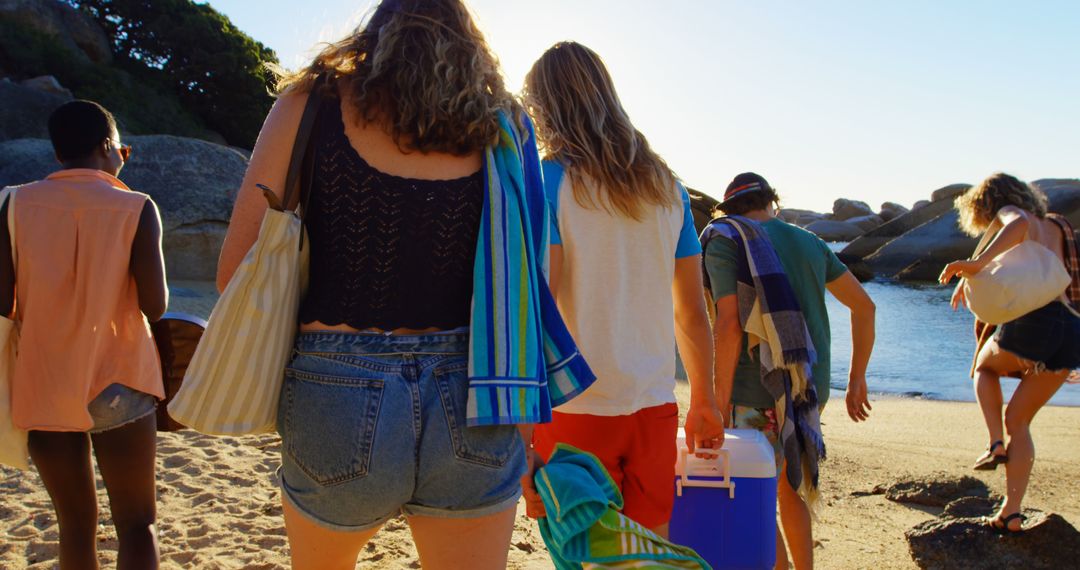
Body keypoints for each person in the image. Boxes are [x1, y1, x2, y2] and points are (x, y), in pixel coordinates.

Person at [216, 2, 592, 569]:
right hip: (479, 393)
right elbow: (526, 291)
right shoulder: (507, 126)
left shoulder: (309, 104)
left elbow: (234, 276)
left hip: (335, 387)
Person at [522, 41, 725, 538]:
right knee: (646, 549)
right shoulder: (667, 189)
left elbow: (539, 310)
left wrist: (523, 435)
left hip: (575, 410)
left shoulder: (549, 182)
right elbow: (691, 311)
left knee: (587, 555)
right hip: (653, 406)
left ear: (544, 108)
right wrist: (704, 399)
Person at [0, 100, 166, 569]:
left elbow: (2, 302)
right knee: (137, 522)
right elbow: (155, 306)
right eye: (122, 151)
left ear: (57, 155)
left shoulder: (13, 203)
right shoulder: (137, 207)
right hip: (119, 378)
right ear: (109, 147)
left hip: (44, 378)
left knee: (74, 524)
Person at [702, 173, 875, 570]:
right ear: (771, 202)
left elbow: (728, 323)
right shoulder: (810, 241)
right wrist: (856, 377)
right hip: (807, 387)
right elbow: (865, 307)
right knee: (787, 487)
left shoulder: (725, 237)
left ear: (729, 209)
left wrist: (716, 398)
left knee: (753, 498)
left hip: (754, 389)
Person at [939, 173, 1079, 534]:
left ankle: (994, 443)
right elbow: (1034, 273)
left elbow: (1015, 226)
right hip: (1071, 330)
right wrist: (973, 281)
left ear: (987, 203)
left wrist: (974, 264)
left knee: (984, 368)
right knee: (1020, 419)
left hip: (1037, 319)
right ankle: (1011, 513)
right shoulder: (1058, 226)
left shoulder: (1013, 213)